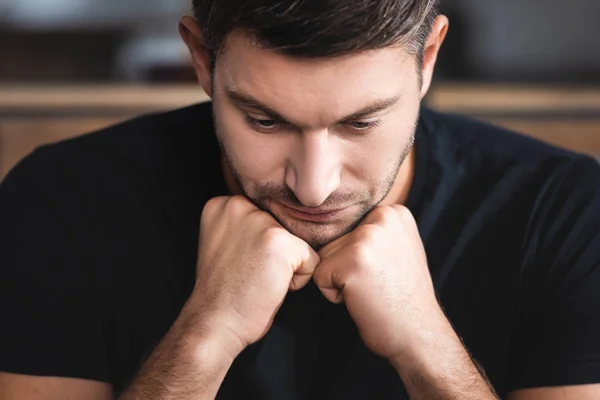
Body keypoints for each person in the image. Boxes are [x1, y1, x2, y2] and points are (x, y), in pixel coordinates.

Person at [1, 0, 599, 399]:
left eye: (361, 123)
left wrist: (428, 349)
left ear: (428, 59)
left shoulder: (568, 210)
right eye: (264, 121)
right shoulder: (62, 201)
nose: (314, 186)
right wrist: (205, 335)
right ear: (202, 60)